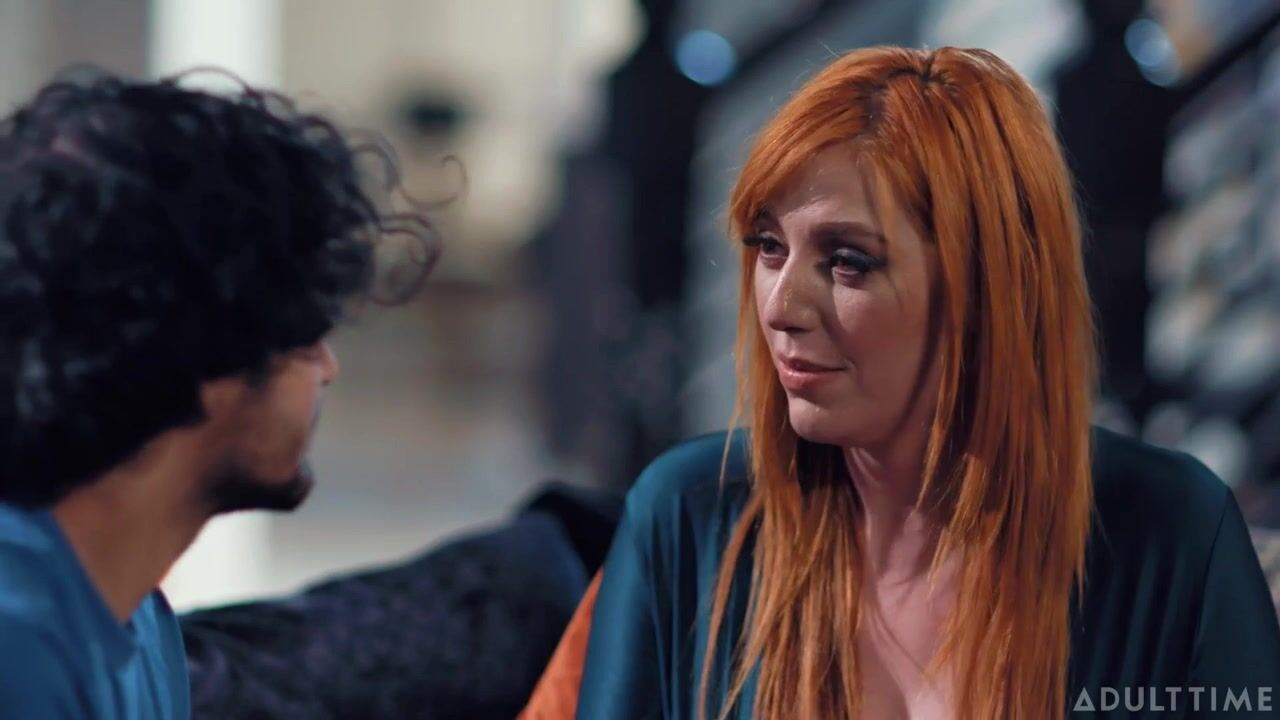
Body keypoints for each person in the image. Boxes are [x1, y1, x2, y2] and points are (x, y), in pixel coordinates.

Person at [568, 46, 1280, 719]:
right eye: (769, 247)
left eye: (848, 262)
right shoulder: (685, 520)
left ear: (988, 287)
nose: (781, 307)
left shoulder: (1173, 533)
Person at [0, 69, 436, 719]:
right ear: (210, 362)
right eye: (308, 338)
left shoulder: (136, 620)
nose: (329, 368)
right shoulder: (17, 651)